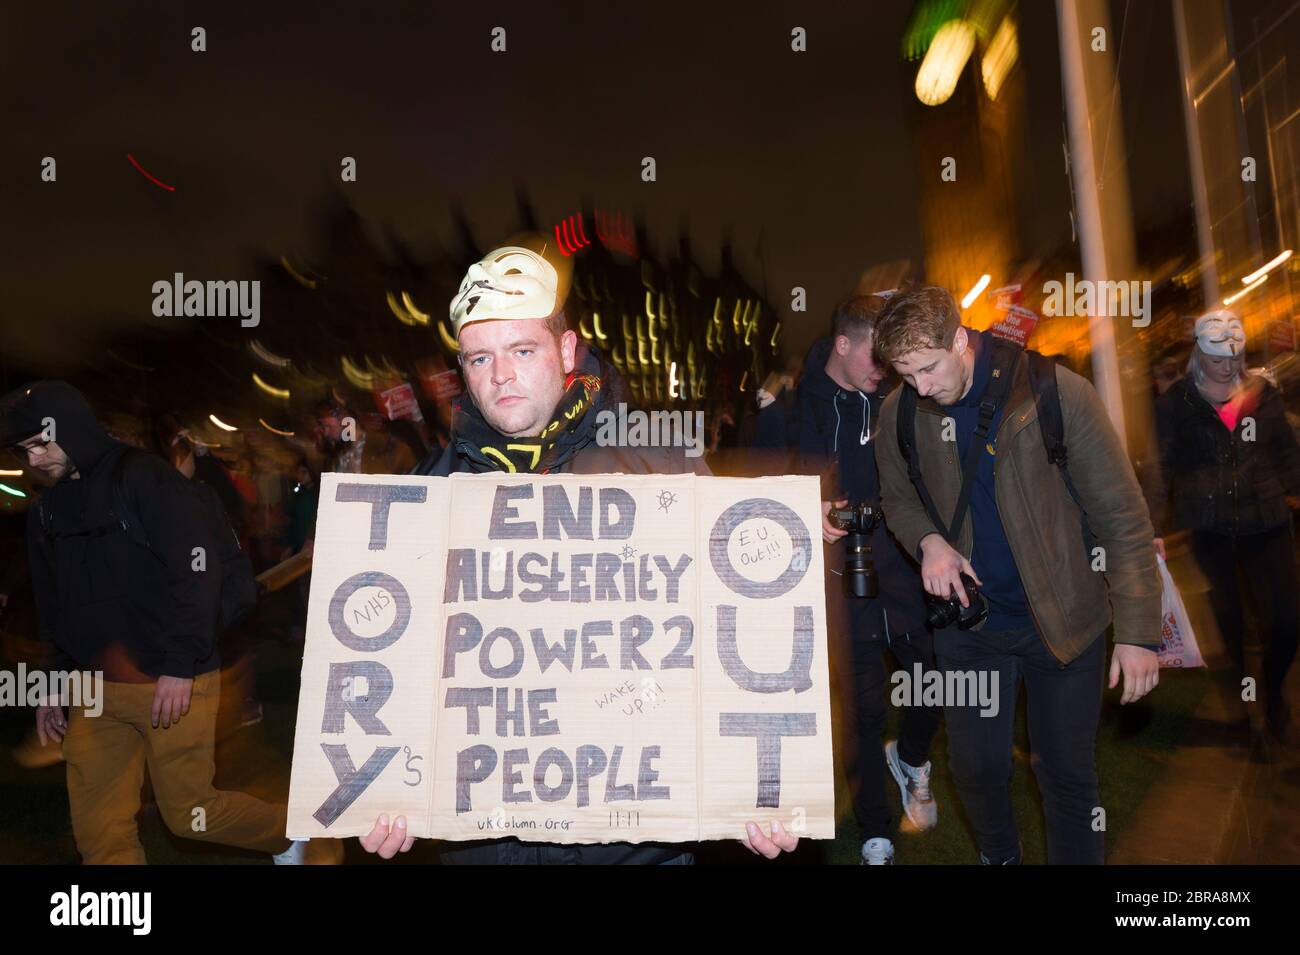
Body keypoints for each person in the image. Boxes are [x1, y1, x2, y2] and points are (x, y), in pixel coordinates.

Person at [362, 238, 799, 863]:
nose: (501, 375)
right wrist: (381, 784)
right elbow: (393, 656)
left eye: (522, 349)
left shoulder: (659, 467)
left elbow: (739, 635)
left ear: (566, 350)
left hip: (635, 838)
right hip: (489, 840)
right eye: (479, 358)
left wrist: (762, 782)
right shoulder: (430, 493)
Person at [873, 285, 1162, 865]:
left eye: (929, 369)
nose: (921, 387)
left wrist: (1137, 632)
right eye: (908, 376)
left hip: (1064, 622)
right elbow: (897, 499)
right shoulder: (901, 410)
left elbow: (1123, 517)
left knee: (1066, 777)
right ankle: (1000, 857)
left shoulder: (1056, 393)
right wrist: (930, 542)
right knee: (975, 771)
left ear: (962, 339)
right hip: (969, 626)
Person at [0, 381, 336, 864]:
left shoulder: (143, 479)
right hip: (94, 691)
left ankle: (294, 837)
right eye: (22, 450)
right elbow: (54, 604)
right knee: (99, 828)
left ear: (68, 430)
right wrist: (52, 684)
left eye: (39, 445)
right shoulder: (49, 508)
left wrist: (181, 663)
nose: (33, 460)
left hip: (173, 681)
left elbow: (197, 569)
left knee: (191, 812)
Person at [755, 293, 940, 865]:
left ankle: (911, 758)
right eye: (875, 356)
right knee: (862, 709)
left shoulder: (901, 395)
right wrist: (805, 513)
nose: (886, 367)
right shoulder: (785, 406)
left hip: (906, 572)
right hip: (836, 581)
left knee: (934, 681)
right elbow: (754, 499)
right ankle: (876, 827)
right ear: (842, 344)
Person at [1151, 310, 1300, 755]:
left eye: (1234, 357)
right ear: (1200, 353)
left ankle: (1273, 698)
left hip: (1267, 520)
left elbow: (1287, 455)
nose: (1227, 366)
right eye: (1217, 358)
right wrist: (1151, 526)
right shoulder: (1177, 403)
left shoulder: (1263, 395)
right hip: (1208, 526)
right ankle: (1241, 713)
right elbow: (1161, 469)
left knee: (1288, 620)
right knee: (1228, 624)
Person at [314, 398, 417, 476]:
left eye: (327, 426)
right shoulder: (338, 458)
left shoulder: (385, 444)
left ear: (344, 417)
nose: (326, 433)